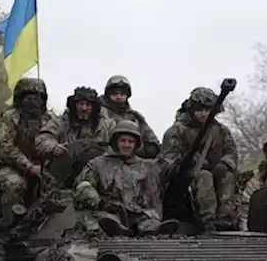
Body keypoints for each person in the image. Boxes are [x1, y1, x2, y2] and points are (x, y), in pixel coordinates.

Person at [72, 121, 176, 235]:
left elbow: (171, 172)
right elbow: (83, 184)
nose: (126, 145)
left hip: (141, 213)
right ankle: (117, 230)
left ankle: (151, 230)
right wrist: (99, 201)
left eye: (131, 142)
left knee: (150, 223)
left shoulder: (148, 166)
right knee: (107, 220)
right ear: (115, 142)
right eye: (123, 141)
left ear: (136, 144)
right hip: (110, 211)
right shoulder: (98, 164)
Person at [159, 86, 240, 231]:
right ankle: (207, 221)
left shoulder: (220, 131)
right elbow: (166, 164)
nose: (204, 114)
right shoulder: (176, 131)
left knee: (227, 175)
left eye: (208, 110)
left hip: (215, 172)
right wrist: (185, 161)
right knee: (204, 176)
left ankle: (226, 219)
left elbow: (232, 152)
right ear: (191, 110)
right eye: (200, 110)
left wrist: (224, 163)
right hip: (184, 182)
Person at [0, 77, 56, 211]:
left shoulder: (50, 119)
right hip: (11, 166)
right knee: (14, 185)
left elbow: (55, 139)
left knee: (55, 190)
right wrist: (28, 166)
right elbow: (4, 145)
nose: (33, 101)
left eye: (37, 97)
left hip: (43, 167)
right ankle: (10, 224)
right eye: (28, 97)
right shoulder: (10, 117)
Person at [36, 86, 105, 161]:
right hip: (65, 167)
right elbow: (43, 138)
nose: (84, 108)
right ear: (74, 105)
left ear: (93, 107)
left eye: (88, 105)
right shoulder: (61, 122)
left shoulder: (104, 124)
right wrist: (53, 147)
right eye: (81, 104)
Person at [99, 75, 160, 158]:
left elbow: (151, 140)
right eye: (115, 93)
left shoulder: (135, 117)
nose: (118, 97)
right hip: (104, 157)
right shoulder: (98, 112)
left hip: (132, 159)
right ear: (108, 94)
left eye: (122, 94)